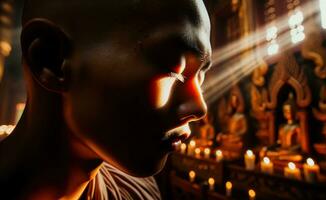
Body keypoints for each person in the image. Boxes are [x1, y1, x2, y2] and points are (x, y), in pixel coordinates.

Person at [0, 0, 212, 199]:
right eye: (170, 66)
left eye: (201, 74)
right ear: (50, 60)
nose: (199, 107)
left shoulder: (138, 192)